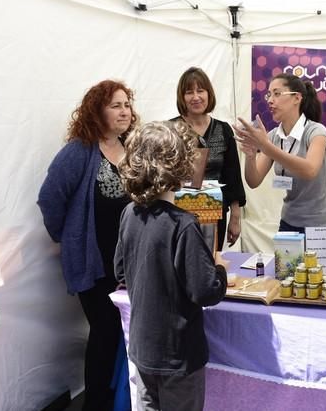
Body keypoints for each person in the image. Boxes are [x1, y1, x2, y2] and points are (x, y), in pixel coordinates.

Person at [37, 79, 139, 411]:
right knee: (105, 332)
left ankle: (117, 399)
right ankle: (95, 404)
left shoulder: (128, 147)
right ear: (97, 111)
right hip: (94, 263)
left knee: (122, 335)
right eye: (116, 105)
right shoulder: (79, 151)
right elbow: (50, 198)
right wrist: (66, 238)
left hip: (126, 263)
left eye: (127, 104)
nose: (124, 111)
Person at [114, 120, 227, 411]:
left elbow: (120, 271)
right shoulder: (183, 224)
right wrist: (219, 268)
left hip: (142, 349)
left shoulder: (129, 213)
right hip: (178, 355)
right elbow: (205, 291)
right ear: (180, 166)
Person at [235, 73, 326, 233]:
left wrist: (266, 147)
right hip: (288, 221)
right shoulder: (273, 136)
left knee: (318, 260)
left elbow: (310, 170)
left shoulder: (316, 131)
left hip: (321, 224)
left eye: (277, 94)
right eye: (269, 94)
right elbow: (253, 181)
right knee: (286, 260)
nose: (270, 100)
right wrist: (250, 154)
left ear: (297, 98)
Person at [172, 67, 246, 249]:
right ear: (182, 97)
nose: (196, 97)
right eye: (189, 92)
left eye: (200, 90)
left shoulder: (223, 129)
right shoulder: (171, 130)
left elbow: (233, 176)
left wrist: (235, 218)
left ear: (209, 94)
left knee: (212, 263)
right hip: (179, 214)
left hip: (214, 213)